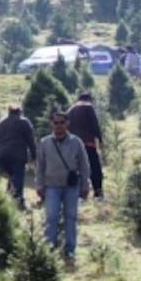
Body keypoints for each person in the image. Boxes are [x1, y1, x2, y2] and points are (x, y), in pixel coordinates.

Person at [36, 111, 91, 261]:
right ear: (51, 124)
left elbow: (84, 165)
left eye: (62, 122)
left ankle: (70, 250)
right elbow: (40, 165)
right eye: (56, 123)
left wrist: (85, 185)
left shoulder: (76, 142)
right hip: (51, 186)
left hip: (71, 187)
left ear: (67, 124)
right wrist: (39, 184)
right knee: (51, 217)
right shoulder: (45, 142)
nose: (59, 126)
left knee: (70, 218)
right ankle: (49, 250)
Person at [0, 105, 37, 210]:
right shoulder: (24, 122)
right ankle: (18, 202)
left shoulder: (0, 123)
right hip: (18, 154)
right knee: (18, 176)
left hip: (2, 154)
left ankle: (7, 198)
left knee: (11, 176)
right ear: (19, 112)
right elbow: (30, 140)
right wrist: (34, 154)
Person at [66, 92, 103, 201]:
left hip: (74, 145)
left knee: (78, 169)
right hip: (88, 143)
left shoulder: (70, 109)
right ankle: (97, 192)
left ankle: (79, 194)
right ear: (89, 99)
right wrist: (100, 139)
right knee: (94, 168)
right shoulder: (88, 107)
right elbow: (94, 124)